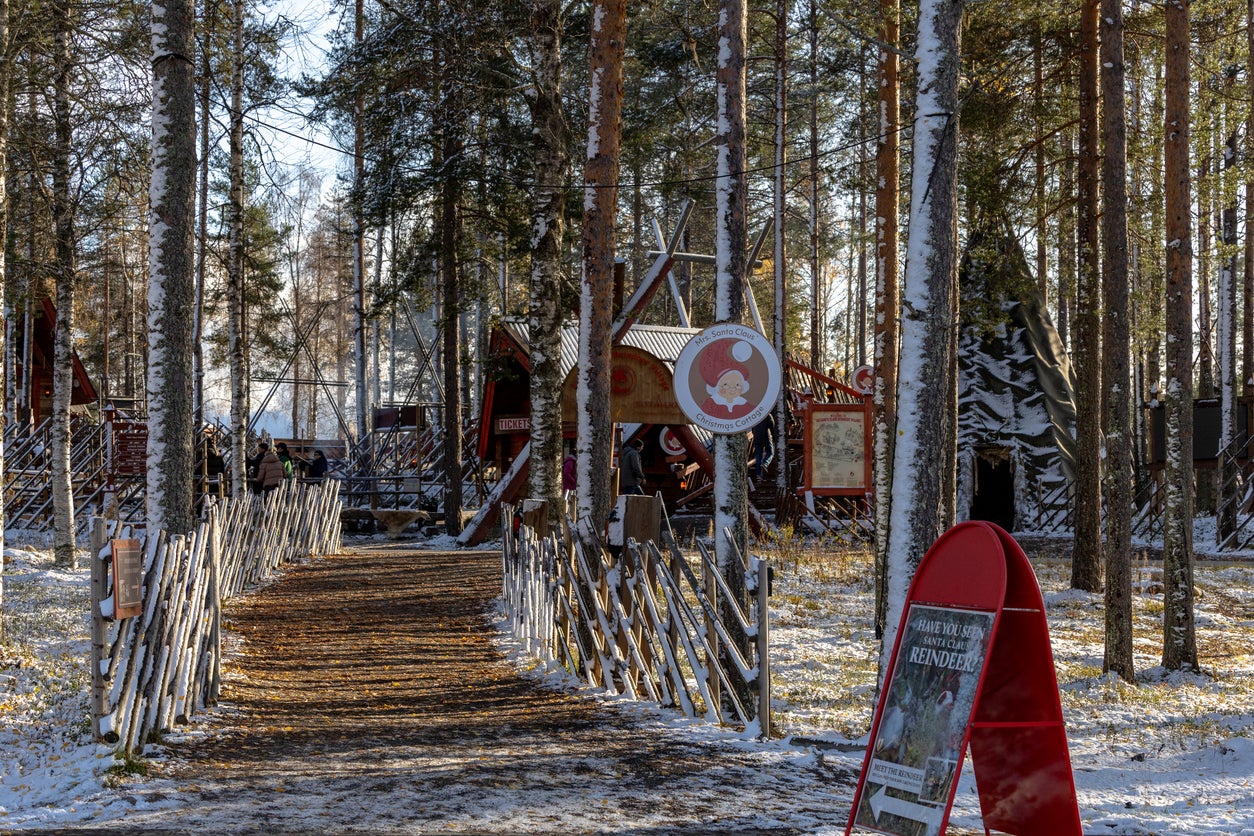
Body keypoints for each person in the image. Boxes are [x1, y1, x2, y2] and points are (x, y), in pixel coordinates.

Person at [752, 413, 775, 480]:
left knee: (758, 455)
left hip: (757, 436)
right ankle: (765, 463)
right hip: (766, 436)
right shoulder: (767, 414)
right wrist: (774, 435)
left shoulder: (755, 414)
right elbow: (772, 425)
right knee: (770, 452)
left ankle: (758, 474)